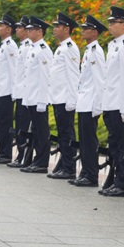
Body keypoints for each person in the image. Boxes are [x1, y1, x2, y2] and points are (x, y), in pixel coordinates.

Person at [100, 6, 124, 197]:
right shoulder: (113, 45)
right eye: (110, 22)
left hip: (119, 104)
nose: (110, 25)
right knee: (114, 144)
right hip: (110, 102)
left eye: (114, 22)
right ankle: (115, 178)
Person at [71, 15, 106, 187]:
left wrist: (98, 105)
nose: (83, 31)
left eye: (86, 29)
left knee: (90, 140)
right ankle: (85, 172)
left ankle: (91, 175)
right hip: (84, 101)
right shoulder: (89, 51)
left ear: (95, 32)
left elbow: (100, 81)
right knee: (84, 140)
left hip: (91, 102)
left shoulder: (96, 52)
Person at [47, 12, 80, 179]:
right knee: (62, 134)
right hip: (58, 97)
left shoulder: (70, 48)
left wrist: (72, 100)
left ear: (67, 29)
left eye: (57, 26)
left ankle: (69, 168)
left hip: (65, 98)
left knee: (67, 134)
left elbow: (73, 75)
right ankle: (64, 165)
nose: (54, 29)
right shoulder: (61, 47)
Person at [20, 17, 53, 174]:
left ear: (40, 31)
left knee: (41, 131)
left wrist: (42, 100)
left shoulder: (43, 50)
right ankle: (36, 160)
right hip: (31, 96)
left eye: (31, 29)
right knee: (36, 131)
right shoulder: (32, 49)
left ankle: (42, 162)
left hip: (38, 97)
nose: (28, 31)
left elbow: (45, 77)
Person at [0, 15, 18, 164]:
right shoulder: (4, 46)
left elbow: (14, 70)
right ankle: (2, 152)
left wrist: (14, 92)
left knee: (5, 123)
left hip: (7, 91)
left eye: (1, 26)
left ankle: (5, 153)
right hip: (1, 90)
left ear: (8, 29)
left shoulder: (11, 46)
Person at [8, 16, 32, 168]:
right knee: (19, 126)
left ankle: (24, 156)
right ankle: (20, 155)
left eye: (20, 28)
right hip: (20, 92)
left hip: (26, 93)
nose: (17, 30)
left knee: (24, 127)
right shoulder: (22, 46)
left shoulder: (29, 47)